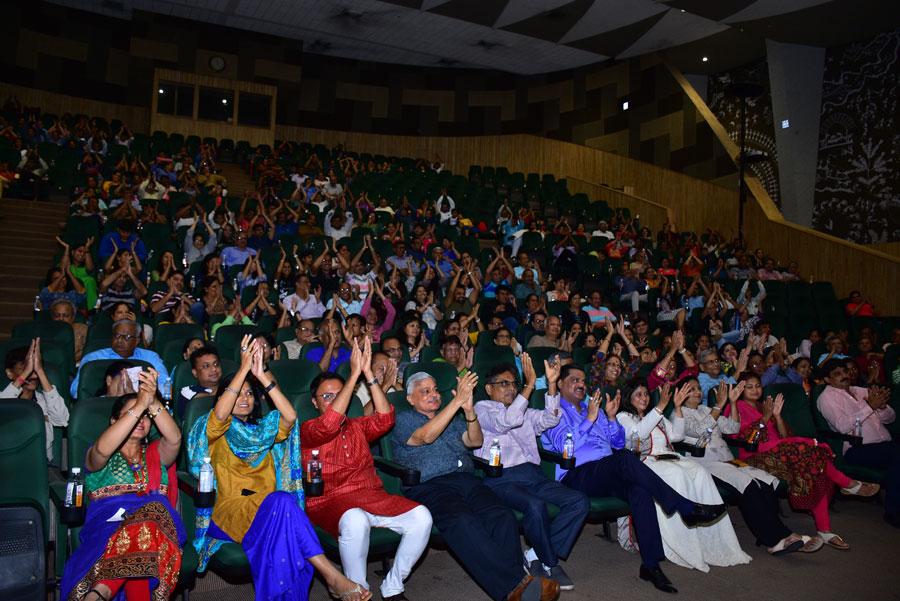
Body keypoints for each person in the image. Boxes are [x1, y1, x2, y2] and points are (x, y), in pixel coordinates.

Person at [187, 337, 369, 601]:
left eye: (250, 393)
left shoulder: (265, 428)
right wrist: (243, 369)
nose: (244, 398)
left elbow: (290, 416)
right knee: (284, 504)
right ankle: (332, 576)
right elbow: (220, 415)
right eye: (238, 393)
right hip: (233, 510)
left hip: (271, 507)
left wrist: (262, 376)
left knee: (284, 530)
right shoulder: (214, 430)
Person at [541, 364, 726, 594]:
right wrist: (589, 419)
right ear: (559, 384)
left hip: (606, 472)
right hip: (576, 474)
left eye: (582, 380)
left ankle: (651, 565)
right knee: (625, 459)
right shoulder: (554, 411)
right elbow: (563, 445)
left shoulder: (594, 408)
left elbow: (618, 443)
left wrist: (610, 418)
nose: (581, 384)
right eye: (574, 380)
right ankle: (684, 506)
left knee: (640, 490)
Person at [392, 372, 560, 601]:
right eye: (425, 391)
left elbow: (475, 441)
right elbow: (426, 437)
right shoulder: (403, 419)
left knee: (502, 515)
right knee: (463, 521)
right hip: (429, 485)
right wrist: (456, 402)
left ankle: (516, 588)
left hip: (466, 479)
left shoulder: (452, 419)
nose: (434, 394)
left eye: (435, 389)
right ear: (410, 398)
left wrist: (469, 411)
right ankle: (515, 586)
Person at [303, 339, 432, 601]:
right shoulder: (310, 429)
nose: (334, 400)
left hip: (371, 496)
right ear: (314, 403)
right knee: (355, 519)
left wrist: (369, 375)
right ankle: (357, 590)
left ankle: (393, 585)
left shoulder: (357, 426)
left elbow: (385, 418)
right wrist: (353, 376)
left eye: (339, 394)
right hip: (331, 501)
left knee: (422, 517)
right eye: (327, 396)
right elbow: (329, 425)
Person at [61, 370, 185, 601]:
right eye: (132, 414)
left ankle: (100, 592)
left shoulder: (156, 453)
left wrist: (152, 400)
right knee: (144, 533)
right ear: (114, 422)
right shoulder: (97, 454)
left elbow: (175, 438)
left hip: (157, 524)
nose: (141, 420)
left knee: (152, 513)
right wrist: (140, 405)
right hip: (108, 525)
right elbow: (102, 450)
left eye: (146, 416)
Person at [727, 372, 880, 550]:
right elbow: (748, 440)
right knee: (810, 451)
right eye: (749, 387)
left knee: (815, 467)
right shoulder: (736, 406)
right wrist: (765, 418)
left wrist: (777, 416)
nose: (755, 390)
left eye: (757, 386)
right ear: (741, 389)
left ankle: (825, 530)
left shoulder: (764, 405)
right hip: (755, 457)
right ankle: (847, 484)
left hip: (783, 452)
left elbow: (785, 436)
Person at [475, 355, 589, 591]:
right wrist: (528, 385)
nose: (511, 388)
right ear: (488, 388)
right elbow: (505, 421)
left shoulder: (525, 411)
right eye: (504, 383)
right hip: (501, 478)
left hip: (533, 475)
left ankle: (536, 554)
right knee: (535, 506)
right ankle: (551, 562)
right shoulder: (482, 409)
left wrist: (551, 384)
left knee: (579, 501)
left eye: (513, 384)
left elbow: (551, 418)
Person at [615, 383, 750, 571]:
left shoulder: (656, 415)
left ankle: (708, 532)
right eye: (638, 394)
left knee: (700, 472)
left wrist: (677, 407)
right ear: (629, 398)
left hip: (669, 457)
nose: (644, 398)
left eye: (646, 394)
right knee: (679, 475)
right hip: (646, 462)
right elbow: (638, 434)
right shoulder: (624, 417)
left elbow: (677, 436)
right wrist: (659, 408)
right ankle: (686, 542)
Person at [680, 378, 823, 554]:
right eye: (691, 389)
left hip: (728, 460)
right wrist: (718, 406)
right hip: (707, 463)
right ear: (681, 394)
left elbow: (732, 428)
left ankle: (774, 535)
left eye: (698, 388)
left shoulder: (705, 409)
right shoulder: (680, 414)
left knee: (767, 482)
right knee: (748, 486)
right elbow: (700, 430)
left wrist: (732, 403)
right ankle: (778, 539)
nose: (697, 392)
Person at [816, 359, 900, 528]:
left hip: (884, 444)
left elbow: (891, 418)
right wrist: (870, 406)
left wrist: (882, 407)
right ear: (827, 379)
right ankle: (894, 513)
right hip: (857, 449)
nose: (844, 375)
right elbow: (842, 426)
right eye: (837, 374)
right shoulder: (827, 397)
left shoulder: (861, 391)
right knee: (896, 455)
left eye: (845, 371)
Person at [0, 339, 69, 463]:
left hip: (42, 464)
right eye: (25, 369)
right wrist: (24, 375)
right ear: (10, 373)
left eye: (34, 370)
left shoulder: (46, 400)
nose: (33, 375)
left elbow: (62, 419)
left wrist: (40, 372)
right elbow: (3, 412)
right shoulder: (3, 397)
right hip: (7, 463)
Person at [72, 320, 171, 399]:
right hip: (102, 407)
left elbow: (166, 388)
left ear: (137, 340)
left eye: (126, 337)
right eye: (116, 335)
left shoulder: (150, 357)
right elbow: (76, 391)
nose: (119, 340)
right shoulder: (93, 358)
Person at [176, 346, 223, 419]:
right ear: (195, 372)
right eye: (206, 366)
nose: (214, 369)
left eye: (216, 364)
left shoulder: (229, 386)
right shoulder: (188, 391)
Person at [49, 297, 87, 362]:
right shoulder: (46, 330)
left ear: (73, 317)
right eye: (57, 315)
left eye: (66, 315)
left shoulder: (83, 329)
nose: (61, 319)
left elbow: (88, 351)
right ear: (52, 317)